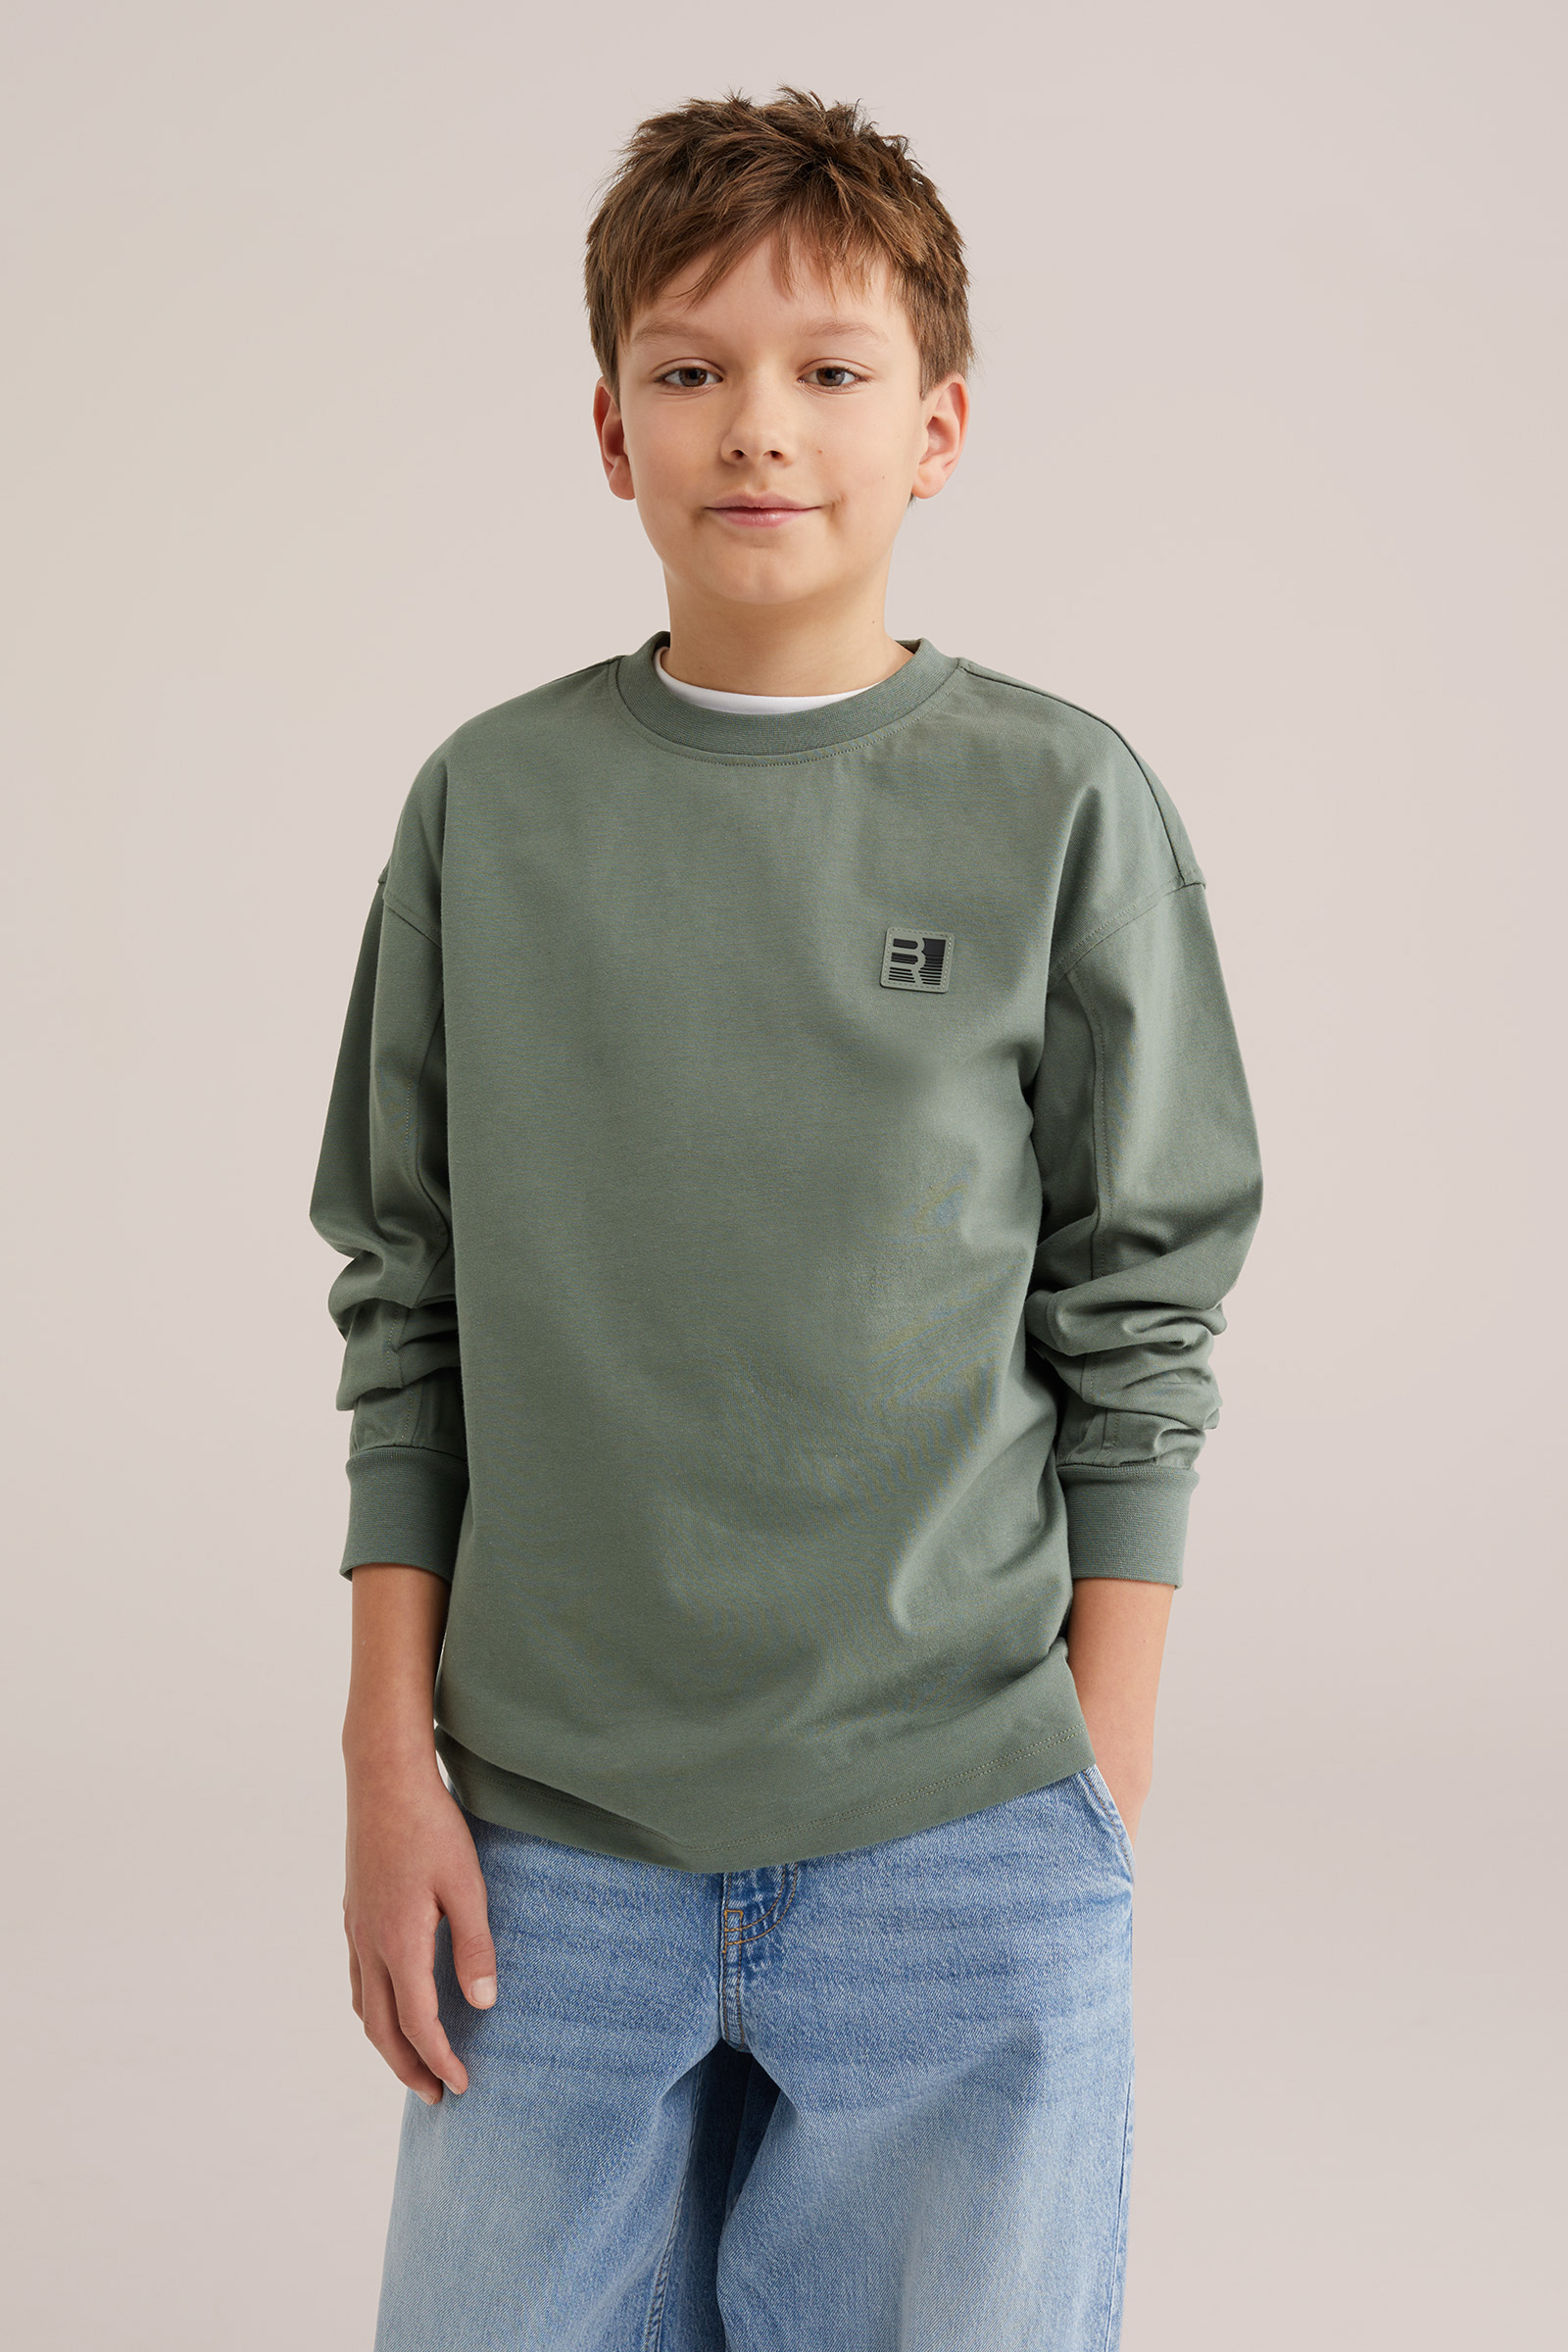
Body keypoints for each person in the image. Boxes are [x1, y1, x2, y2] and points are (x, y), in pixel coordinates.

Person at [309, 84, 1263, 2352]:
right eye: (688, 368)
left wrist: (1090, 1791)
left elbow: (1138, 1301)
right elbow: (406, 1300)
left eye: (828, 370)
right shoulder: (488, 810)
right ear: (608, 427)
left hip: (963, 1828)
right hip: (543, 1845)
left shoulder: (1057, 802)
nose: (757, 424)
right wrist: (382, 1764)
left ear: (934, 428)